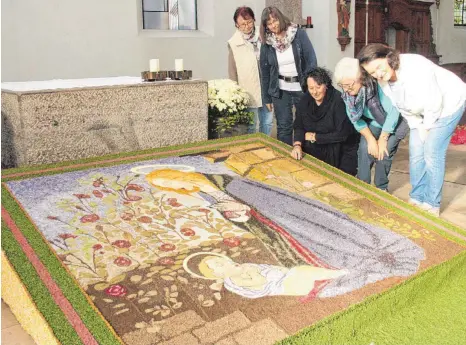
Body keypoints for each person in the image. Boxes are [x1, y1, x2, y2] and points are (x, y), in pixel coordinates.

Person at [358, 44, 466, 216]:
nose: (377, 74)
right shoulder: (383, 81)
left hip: (449, 103)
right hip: (421, 112)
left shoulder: (415, 66)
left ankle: (432, 203)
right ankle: (417, 197)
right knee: (416, 150)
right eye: (372, 73)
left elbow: (434, 100)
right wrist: (417, 126)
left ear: (387, 56)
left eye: (379, 67)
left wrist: (428, 127)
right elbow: (402, 107)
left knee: (431, 151)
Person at [334, 57, 409, 191]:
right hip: (375, 123)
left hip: (396, 122)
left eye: (349, 85)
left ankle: (381, 188)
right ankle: (362, 186)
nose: (346, 90)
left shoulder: (377, 87)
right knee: (364, 148)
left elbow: (393, 111)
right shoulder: (348, 96)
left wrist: (382, 139)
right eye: (342, 85)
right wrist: (370, 139)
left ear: (360, 78)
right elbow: (355, 120)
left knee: (383, 153)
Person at [259, 6, 317, 145]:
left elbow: (311, 60)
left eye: (275, 21)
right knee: (284, 127)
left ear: (280, 18)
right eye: (269, 24)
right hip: (280, 90)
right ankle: (285, 159)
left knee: (306, 124)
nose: (273, 25)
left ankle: (306, 156)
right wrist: (266, 97)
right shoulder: (267, 42)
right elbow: (265, 71)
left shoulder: (298, 34)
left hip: (301, 87)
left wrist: (311, 87)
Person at [291, 67, 360, 176]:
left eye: (318, 87)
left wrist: (315, 137)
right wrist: (297, 145)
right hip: (315, 147)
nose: (315, 92)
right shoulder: (305, 100)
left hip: (339, 149)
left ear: (326, 85)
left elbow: (342, 134)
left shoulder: (339, 100)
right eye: (311, 88)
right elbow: (299, 125)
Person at [228, 6, 273, 135]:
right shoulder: (234, 43)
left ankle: (266, 148)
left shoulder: (264, 36)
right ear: (237, 25)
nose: (247, 26)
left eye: (249, 22)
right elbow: (232, 71)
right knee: (251, 126)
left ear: (254, 20)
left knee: (267, 122)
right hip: (248, 89)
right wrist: (235, 93)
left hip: (266, 87)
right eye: (242, 24)